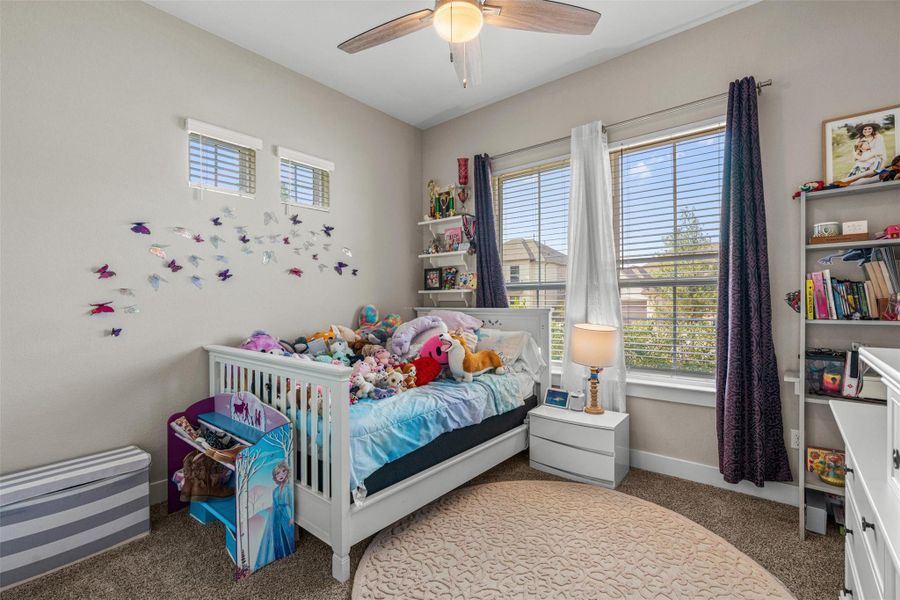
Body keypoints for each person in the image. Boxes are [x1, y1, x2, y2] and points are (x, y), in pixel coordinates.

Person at [254, 461, 293, 569]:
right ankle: (279, 553)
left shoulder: (288, 487)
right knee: (276, 534)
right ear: (275, 476)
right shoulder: (275, 490)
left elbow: (292, 502)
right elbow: (274, 503)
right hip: (276, 513)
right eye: (278, 473)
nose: (281, 475)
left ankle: (288, 549)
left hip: (286, 511)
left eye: (283, 472)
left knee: (286, 531)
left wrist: (292, 516)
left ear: (287, 473)